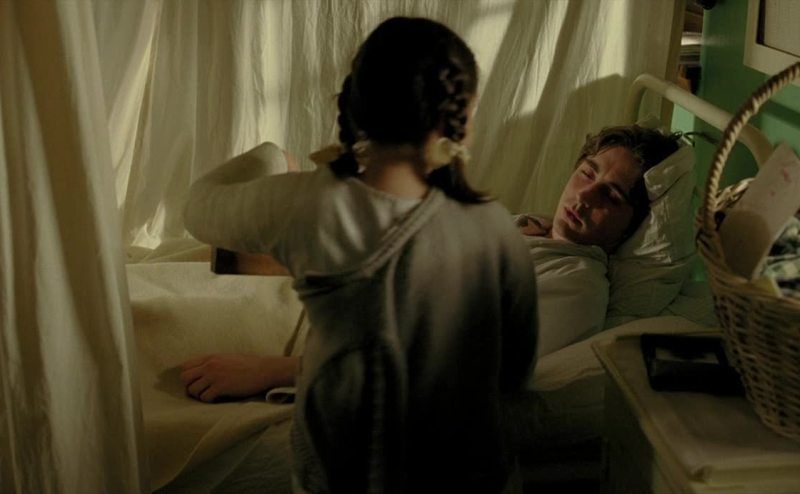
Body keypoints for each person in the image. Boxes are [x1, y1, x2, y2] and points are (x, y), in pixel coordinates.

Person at [182, 16, 537, 494]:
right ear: (462, 117)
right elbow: (513, 372)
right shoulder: (497, 227)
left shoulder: (308, 204)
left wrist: (270, 157)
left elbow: (197, 206)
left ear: (355, 101)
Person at [515, 124, 682, 356]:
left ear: (630, 228)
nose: (584, 195)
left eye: (611, 196)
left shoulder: (577, 286)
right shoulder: (535, 224)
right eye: (587, 174)